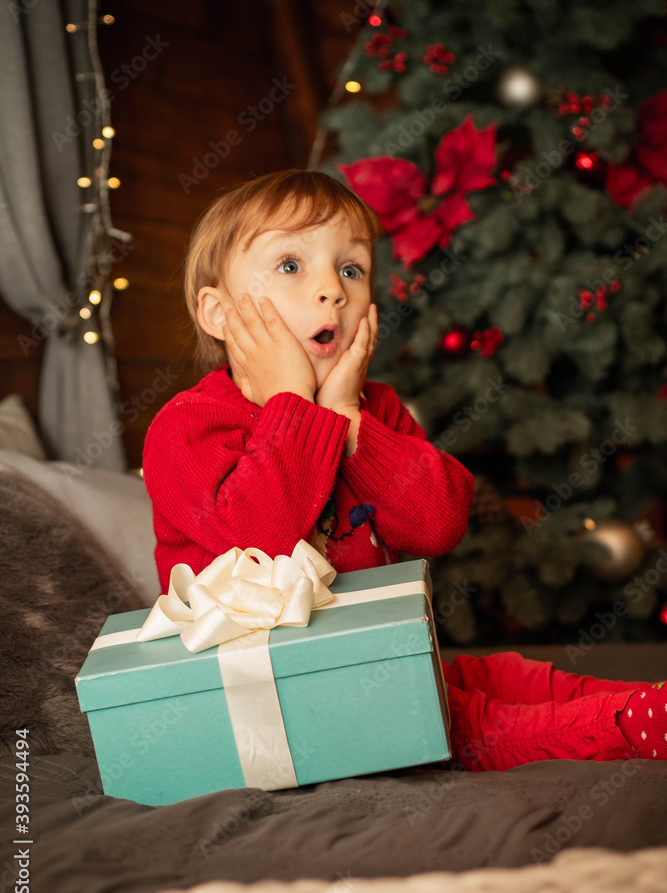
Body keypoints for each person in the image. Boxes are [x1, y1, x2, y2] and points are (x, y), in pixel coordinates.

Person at [142, 168, 667, 771]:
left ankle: (643, 702)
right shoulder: (189, 426)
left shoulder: (376, 407)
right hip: (280, 689)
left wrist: (348, 417)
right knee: (463, 722)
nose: (331, 290)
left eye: (351, 269)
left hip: (371, 655)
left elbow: (437, 525)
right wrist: (292, 401)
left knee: (497, 675)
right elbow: (256, 541)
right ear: (219, 313)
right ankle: (633, 727)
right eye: (291, 265)